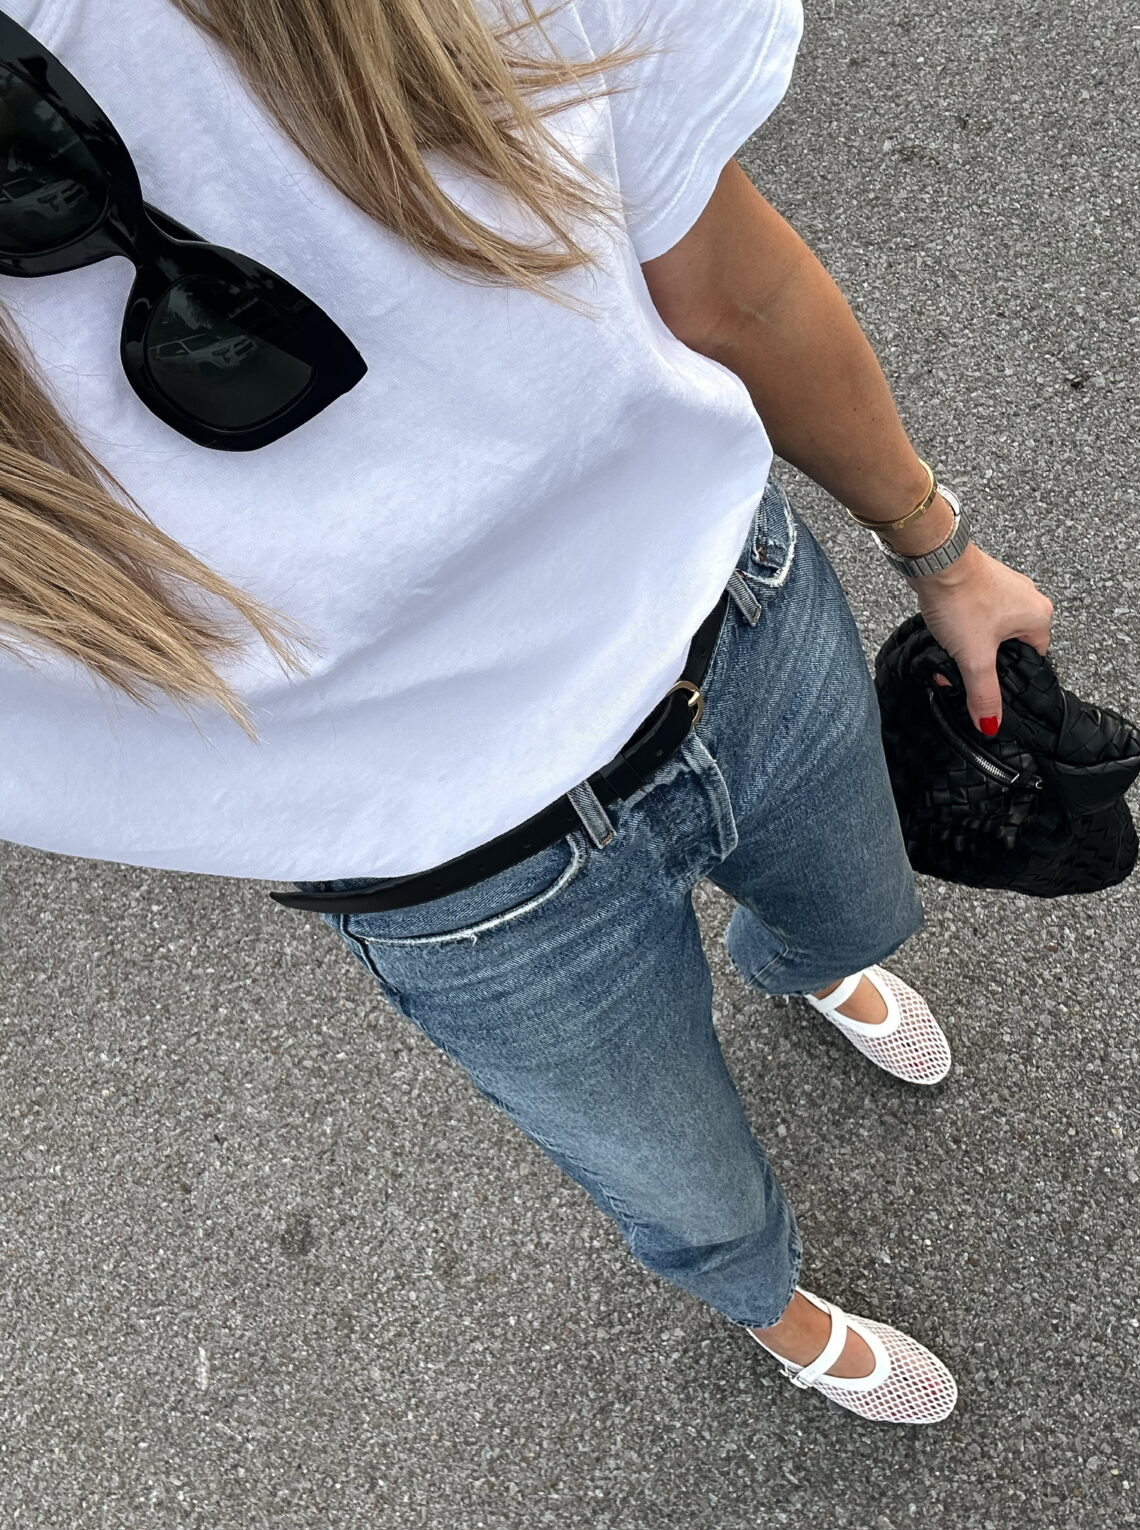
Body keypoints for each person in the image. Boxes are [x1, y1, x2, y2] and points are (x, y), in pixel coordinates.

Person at [0, 0, 1053, 1426]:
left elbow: (723, 275)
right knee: (682, 1183)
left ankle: (801, 961)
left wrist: (941, 549)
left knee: (854, 906)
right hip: (464, 885)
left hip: (731, 622)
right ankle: (775, 1306)